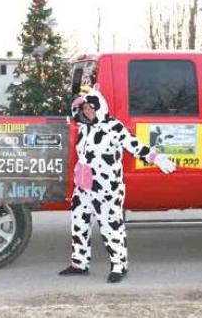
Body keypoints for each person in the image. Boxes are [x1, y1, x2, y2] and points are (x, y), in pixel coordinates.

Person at [59, 86, 176, 283]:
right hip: (83, 187)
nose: (87, 112)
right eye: (85, 108)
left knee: (111, 227)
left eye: (91, 108)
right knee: (79, 225)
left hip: (107, 189)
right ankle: (79, 263)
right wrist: (81, 100)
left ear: (100, 108)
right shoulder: (84, 127)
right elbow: (75, 117)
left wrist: (156, 158)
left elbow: (135, 146)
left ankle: (119, 265)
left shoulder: (114, 127)